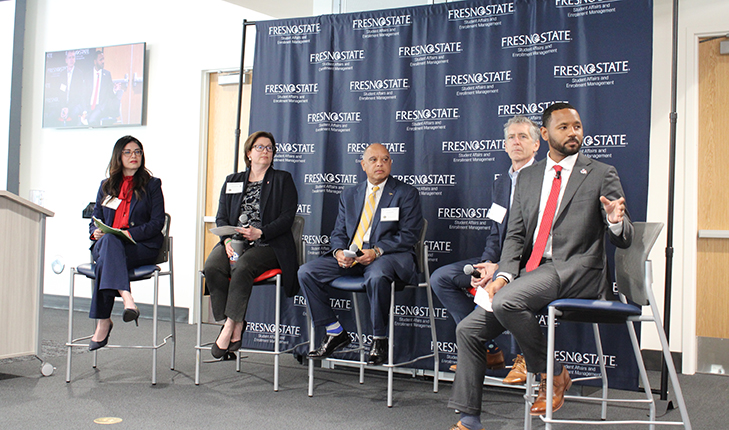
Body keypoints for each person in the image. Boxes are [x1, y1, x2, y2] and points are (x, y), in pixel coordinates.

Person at [447, 103, 634, 430]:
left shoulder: (601, 173)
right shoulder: (529, 177)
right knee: (468, 330)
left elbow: (625, 237)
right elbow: (515, 235)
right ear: (546, 134)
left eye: (577, 126)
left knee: (508, 301)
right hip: (530, 272)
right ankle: (469, 419)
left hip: (577, 270)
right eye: (564, 127)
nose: (573, 132)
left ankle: (552, 374)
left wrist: (616, 223)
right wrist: (504, 274)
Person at [430, 115, 539, 382]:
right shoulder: (502, 182)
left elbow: (540, 235)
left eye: (523, 136)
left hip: (532, 263)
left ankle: (526, 358)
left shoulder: (545, 180)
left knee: (511, 291)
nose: (516, 142)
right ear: (504, 146)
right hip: (499, 260)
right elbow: (495, 231)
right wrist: (488, 264)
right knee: (441, 278)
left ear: (536, 144)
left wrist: (503, 268)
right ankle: (485, 347)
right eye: (511, 137)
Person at [299, 143, 423, 366]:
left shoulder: (406, 193)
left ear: (391, 163)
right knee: (306, 272)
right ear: (363, 165)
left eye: (385, 159)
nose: (380, 164)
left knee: (376, 276)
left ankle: (379, 339)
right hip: (353, 256)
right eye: (374, 160)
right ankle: (335, 331)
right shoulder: (350, 194)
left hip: (388, 257)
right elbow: (338, 231)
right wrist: (338, 252)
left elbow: (410, 235)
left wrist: (376, 251)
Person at [203, 131, 299, 359]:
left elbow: (287, 218)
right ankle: (234, 321)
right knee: (213, 267)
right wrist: (226, 240)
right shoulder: (232, 181)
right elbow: (222, 217)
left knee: (243, 265)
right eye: (260, 147)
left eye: (269, 148)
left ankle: (229, 328)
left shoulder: (282, 179)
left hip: (269, 245)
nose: (265, 151)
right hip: (234, 242)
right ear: (249, 153)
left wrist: (261, 232)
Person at [87, 135, 165, 351]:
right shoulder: (106, 186)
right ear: (118, 156)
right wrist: (96, 234)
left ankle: (104, 321)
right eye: (128, 152)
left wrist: (129, 233)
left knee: (107, 258)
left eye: (138, 151)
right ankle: (127, 298)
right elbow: (96, 220)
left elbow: (157, 223)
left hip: (139, 247)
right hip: (108, 246)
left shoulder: (152, 185)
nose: (134, 156)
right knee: (110, 241)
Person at [81, 49, 122, 127]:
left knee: (92, 120)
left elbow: (110, 93)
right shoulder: (87, 75)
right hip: (88, 107)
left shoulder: (107, 74)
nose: (103, 61)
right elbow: (83, 94)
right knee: (80, 121)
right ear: (95, 61)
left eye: (103, 59)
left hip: (101, 107)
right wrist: (84, 111)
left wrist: (115, 90)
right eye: (100, 59)